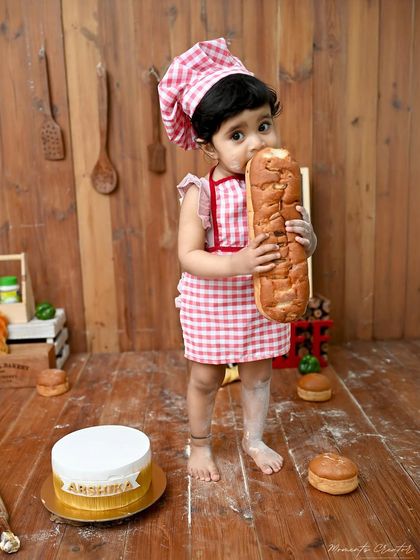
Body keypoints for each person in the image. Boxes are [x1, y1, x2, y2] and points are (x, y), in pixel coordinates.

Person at [158, 38, 317, 482]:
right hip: (212, 300)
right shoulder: (200, 191)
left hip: (259, 299)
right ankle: (200, 444)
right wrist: (236, 263)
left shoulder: (281, 184)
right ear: (209, 147)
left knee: (258, 377)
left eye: (263, 125)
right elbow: (188, 256)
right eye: (237, 135)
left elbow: (292, 246)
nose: (255, 143)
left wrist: (309, 239)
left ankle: (253, 437)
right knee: (206, 379)